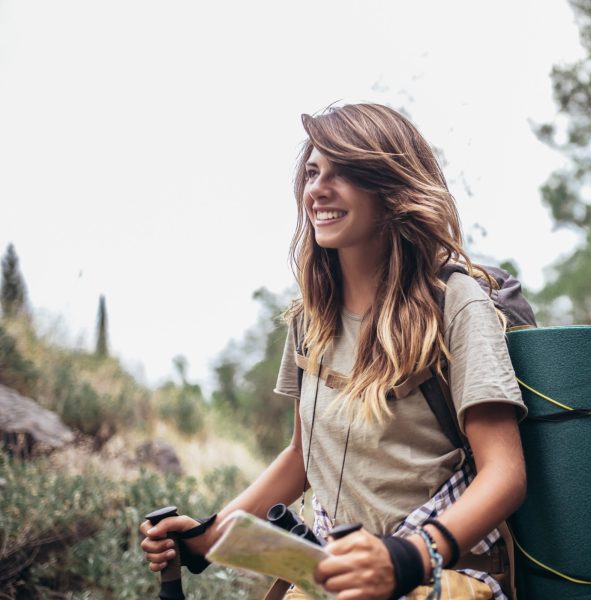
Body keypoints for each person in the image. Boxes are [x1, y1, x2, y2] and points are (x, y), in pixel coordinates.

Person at [140, 103, 527, 600]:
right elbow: (302, 459)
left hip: (441, 574)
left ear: (391, 189)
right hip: (335, 575)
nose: (318, 189)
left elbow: (505, 473)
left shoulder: (453, 304)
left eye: (343, 172)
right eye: (312, 172)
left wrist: (407, 559)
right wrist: (205, 540)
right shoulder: (310, 318)